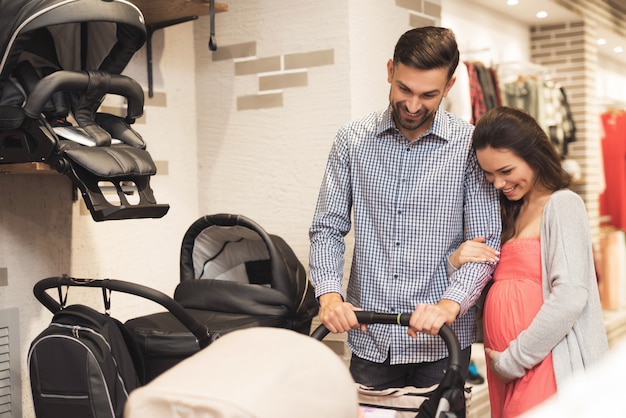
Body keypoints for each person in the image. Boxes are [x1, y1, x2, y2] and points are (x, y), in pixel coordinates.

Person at [308, 26, 501, 390]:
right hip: (371, 338)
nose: (413, 106)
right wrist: (330, 297)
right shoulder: (352, 140)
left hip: (442, 344)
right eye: (404, 89)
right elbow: (328, 228)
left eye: (428, 94)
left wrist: (447, 305)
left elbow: (485, 245)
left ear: (449, 86)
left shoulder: (469, 146)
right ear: (389, 71)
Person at [448, 106, 609, 418]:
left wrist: (513, 360)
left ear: (534, 155)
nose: (497, 184)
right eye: (489, 174)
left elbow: (571, 295)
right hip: (508, 368)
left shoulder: (562, 204)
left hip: (543, 363)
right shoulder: (511, 212)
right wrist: (455, 261)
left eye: (506, 171)